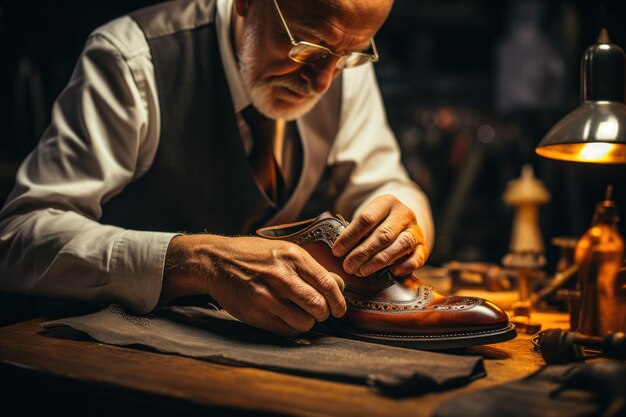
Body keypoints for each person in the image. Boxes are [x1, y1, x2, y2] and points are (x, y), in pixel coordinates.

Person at [0, 0, 433, 337]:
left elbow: (385, 181)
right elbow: (19, 238)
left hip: (258, 353)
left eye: (350, 55)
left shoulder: (338, 62)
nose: (322, 80)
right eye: (307, 45)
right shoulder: (131, 60)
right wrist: (198, 261)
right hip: (104, 355)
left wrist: (404, 221)